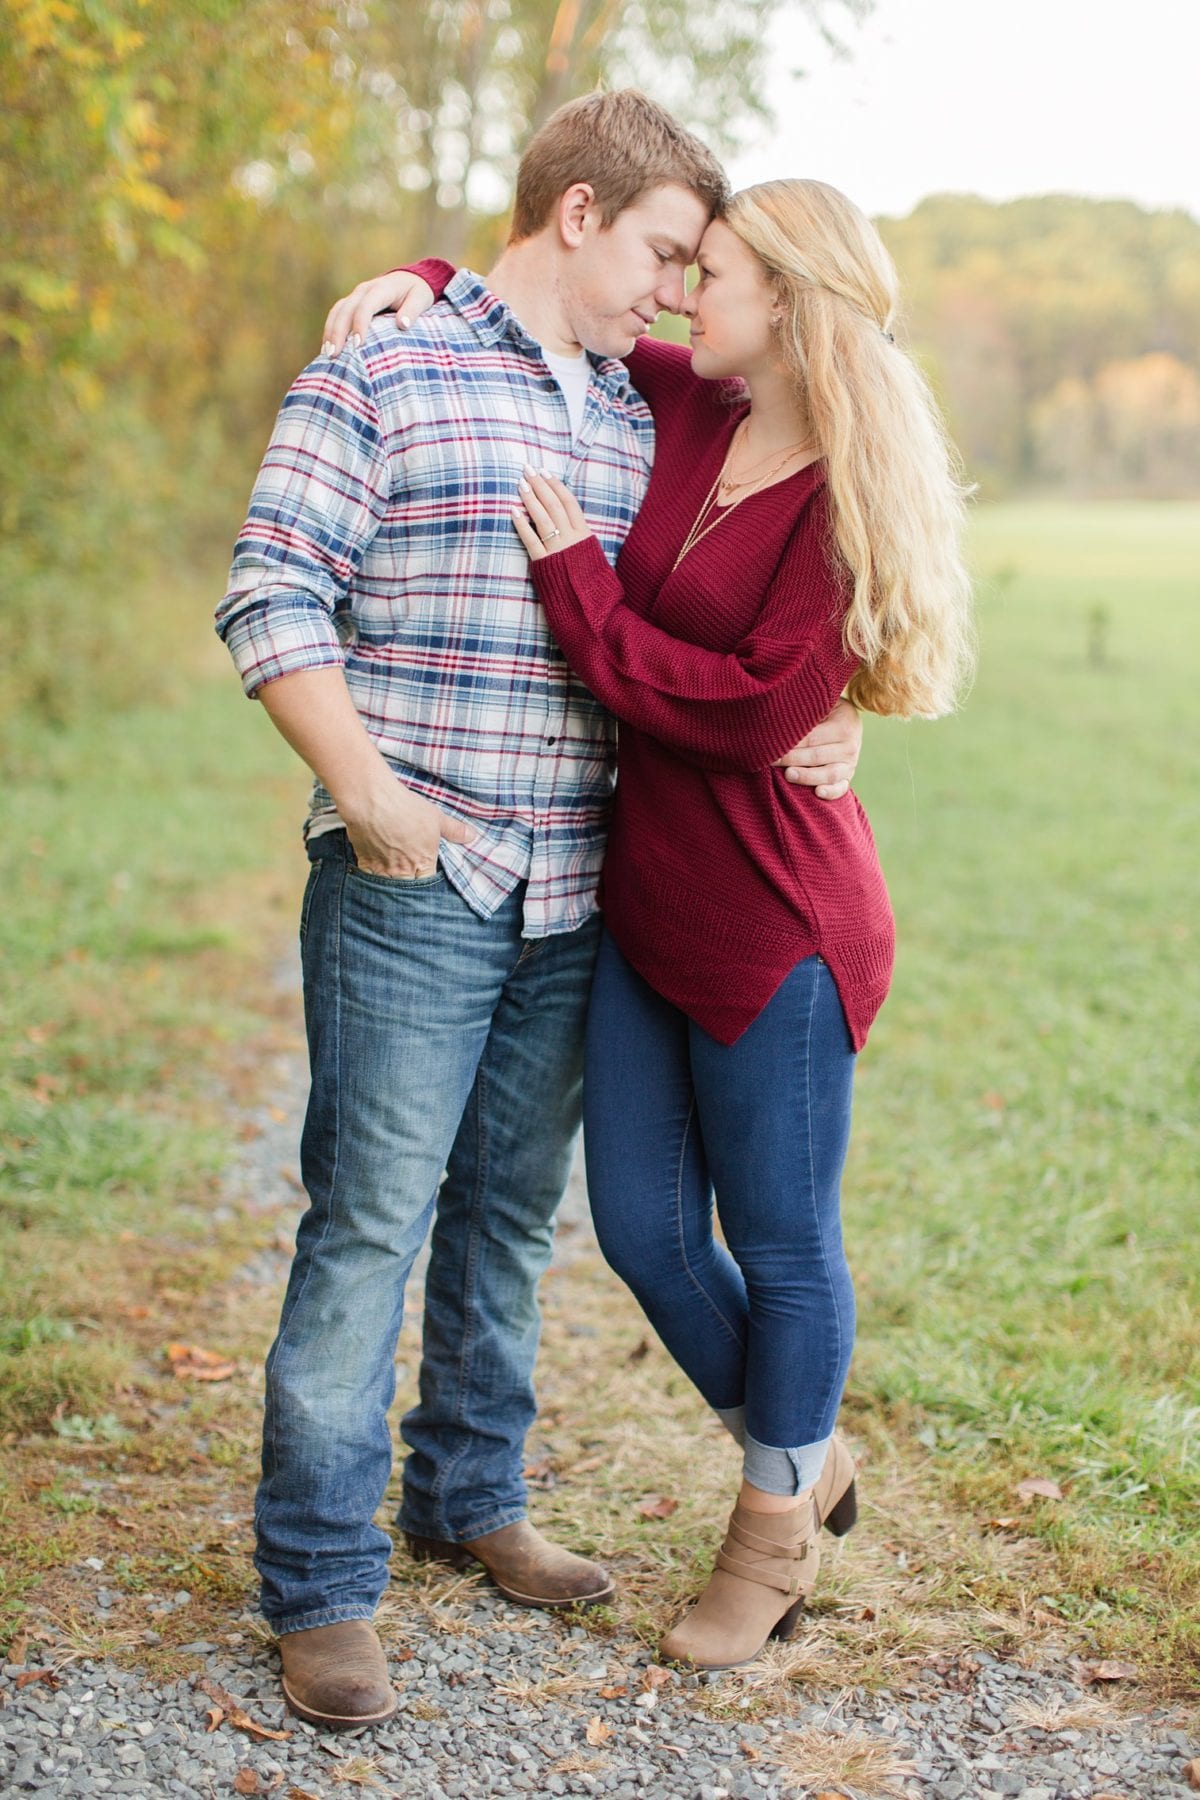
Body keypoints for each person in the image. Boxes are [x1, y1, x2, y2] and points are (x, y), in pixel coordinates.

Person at [216, 92, 861, 1729]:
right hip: (415, 879)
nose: (668, 290)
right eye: (657, 250)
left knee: (509, 1221)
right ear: (577, 215)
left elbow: (781, 576)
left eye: (692, 267)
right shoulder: (386, 363)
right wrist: (367, 798)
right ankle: (319, 1582)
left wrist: (846, 715)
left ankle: (470, 1496)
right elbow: (271, 587)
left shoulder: (650, 414)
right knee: (369, 1224)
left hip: (586, 893)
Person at [322, 174, 973, 1672]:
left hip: (780, 927)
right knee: (641, 1231)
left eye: (720, 272)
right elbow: (539, 312)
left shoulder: (845, 500)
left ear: (795, 305)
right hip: (644, 903)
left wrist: (582, 593)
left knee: (786, 1245)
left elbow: (751, 717)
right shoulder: (687, 408)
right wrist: (420, 272)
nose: (687, 294)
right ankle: (807, 1446)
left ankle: (767, 1539)